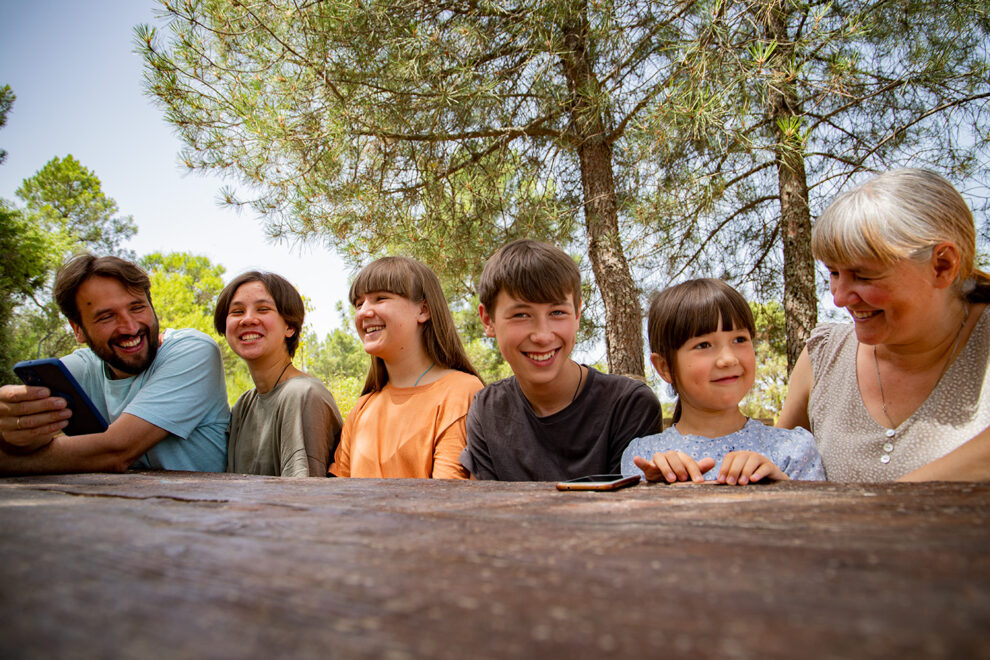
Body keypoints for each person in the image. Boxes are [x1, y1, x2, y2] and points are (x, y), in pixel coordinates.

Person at [777, 168, 990, 482]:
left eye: (863, 275)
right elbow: (781, 468)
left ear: (942, 265)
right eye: (834, 273)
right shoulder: (822, 356)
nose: (839, 298)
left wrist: (874, 508)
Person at [0, 254, 229, 474]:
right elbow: (23, 429)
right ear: (78, 329)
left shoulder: (192, 350)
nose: (130, 328)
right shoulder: (83, 367)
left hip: (198, 510)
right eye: (106, 316)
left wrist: (9, 462)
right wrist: (13, 429)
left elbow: (117, 451)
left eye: (137, 307)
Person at [461, 239, 662, 481]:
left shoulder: (628, 406)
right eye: (521, 315)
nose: (543, 336)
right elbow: (484, 511)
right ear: (488, 320)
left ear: (577, 313)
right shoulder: (487, 410)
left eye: (557, 313)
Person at [622, 279, 824, 484]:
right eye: (703, 345)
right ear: (665, 367)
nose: (729, 359)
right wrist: (656, 487)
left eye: (739, 340)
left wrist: (780, 485)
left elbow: (820, 515)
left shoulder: (794, 448)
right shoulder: (643, 456)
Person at [329, 256, 483, 479]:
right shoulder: (362, 408)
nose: (363, 312)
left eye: (381, 298)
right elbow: (337, 494)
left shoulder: (460, 392)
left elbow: (447, 500)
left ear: (423, 310)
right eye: (359, 304)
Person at [214, 271, 343, 477]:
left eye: (263, 309)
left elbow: (302, 497)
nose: (247, 319)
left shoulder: (303, 395)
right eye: (237, 312)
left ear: (290, 326)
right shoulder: (244, 405)